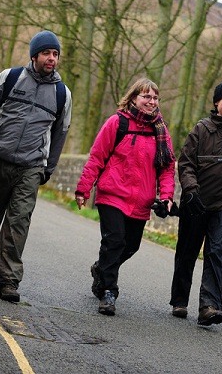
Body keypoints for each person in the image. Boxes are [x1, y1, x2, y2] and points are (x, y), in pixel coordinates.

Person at [0, 30, 72, 302]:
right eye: (46, 53)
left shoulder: (61, 94)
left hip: (31, 167)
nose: (52, 58)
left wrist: (48, 168)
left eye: (55, 54)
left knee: (18, 222)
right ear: (34, 55)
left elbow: (60, 134)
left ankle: (7, 280)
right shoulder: (8, 78)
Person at [75, 78, 176, 316]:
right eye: (146, 97)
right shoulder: (116, 122)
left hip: (141, 200)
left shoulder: (160, 130)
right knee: (115, 240)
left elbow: (167, 167)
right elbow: (97, 157)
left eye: (155, 98)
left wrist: (167, 196)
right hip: (113, 194)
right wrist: (84, 188)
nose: (151, 102)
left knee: (131, 245)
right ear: (133, 98)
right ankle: (109, 291)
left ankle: (101, 269)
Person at [170, 82, 222, 326]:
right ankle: (179, 300)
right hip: (196, 202)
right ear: (217, 102)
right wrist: (191, 191)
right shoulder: (200, 129)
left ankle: (210, 306)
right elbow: (185, 164)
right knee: (187, 250)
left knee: (217, 252)